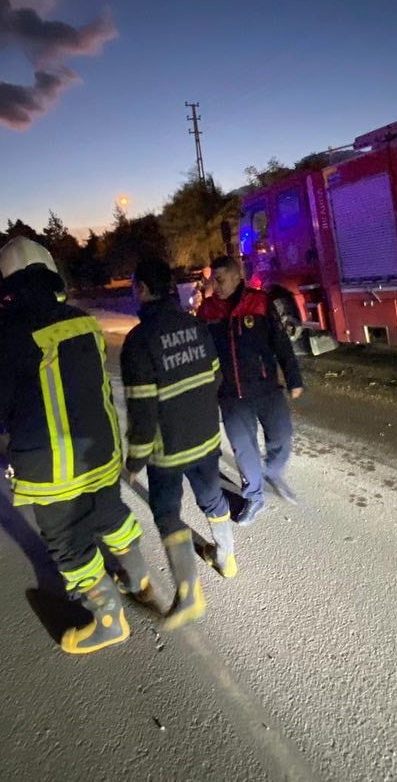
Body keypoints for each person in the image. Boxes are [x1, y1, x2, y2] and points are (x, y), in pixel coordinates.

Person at [0, 237, 152, 655]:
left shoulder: (10, 336)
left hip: (54, 466)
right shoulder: (82, 321)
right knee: (109, 513)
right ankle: (138, 578)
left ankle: (107, 619)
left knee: (68, 541)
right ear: (50, 274)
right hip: (100, 451)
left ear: (6, 282)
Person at [121, 256, 236, 630]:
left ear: (142, 290)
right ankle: (226, 557)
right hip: (205, 437)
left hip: (167, 450)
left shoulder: (139, 342)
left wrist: (134, 462)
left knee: (167, 513)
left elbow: (142, 411)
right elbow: (216, 378)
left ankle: (189, 595)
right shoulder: (195, 326)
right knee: (210, 496)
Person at [197, 256, 304, 525]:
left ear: (236, 277)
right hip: (231, 396)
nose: (215, 286)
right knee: (245, 452)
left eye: (220, 280)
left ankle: (274, 472)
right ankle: (254, 497)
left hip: (266, 388)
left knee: (281, 437)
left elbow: (280, 342)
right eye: (213, 280)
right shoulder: (207, 311)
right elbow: (199, 352)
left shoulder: (260, 302)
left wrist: (294, 378)